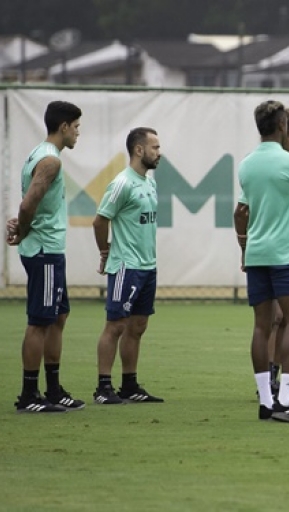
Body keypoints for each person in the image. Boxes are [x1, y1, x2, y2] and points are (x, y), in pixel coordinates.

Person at [234, 100, 289, 423]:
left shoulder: (246, 165)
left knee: (262, 326)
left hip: (256, 254)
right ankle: (286, 401)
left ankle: (265, 401)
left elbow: (245, 211)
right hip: (286, 253)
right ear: (282, 125)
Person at [6, 100, 85, 413]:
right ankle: (29, 395)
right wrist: (24, 230)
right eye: (76, 127)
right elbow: (28, 205)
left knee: (58, 316)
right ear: (64, 127)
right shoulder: (51, 161)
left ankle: (53, 390)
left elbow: (29, 208)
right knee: (40, 322)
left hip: (48, 249)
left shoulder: (40, 153)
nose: (79, 133)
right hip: (44, 251)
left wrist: (23, 225)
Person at [92, 127, 164, 405]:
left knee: (138, 326)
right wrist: (105, 251)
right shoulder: (122, 183)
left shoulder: (150, 182)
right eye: (155, 147)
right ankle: (103, 387)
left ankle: (130, 386)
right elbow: (100, 220)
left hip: (148, 266)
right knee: (116, 325)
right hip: (126, 266)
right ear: (138, 150)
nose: (159, 152)